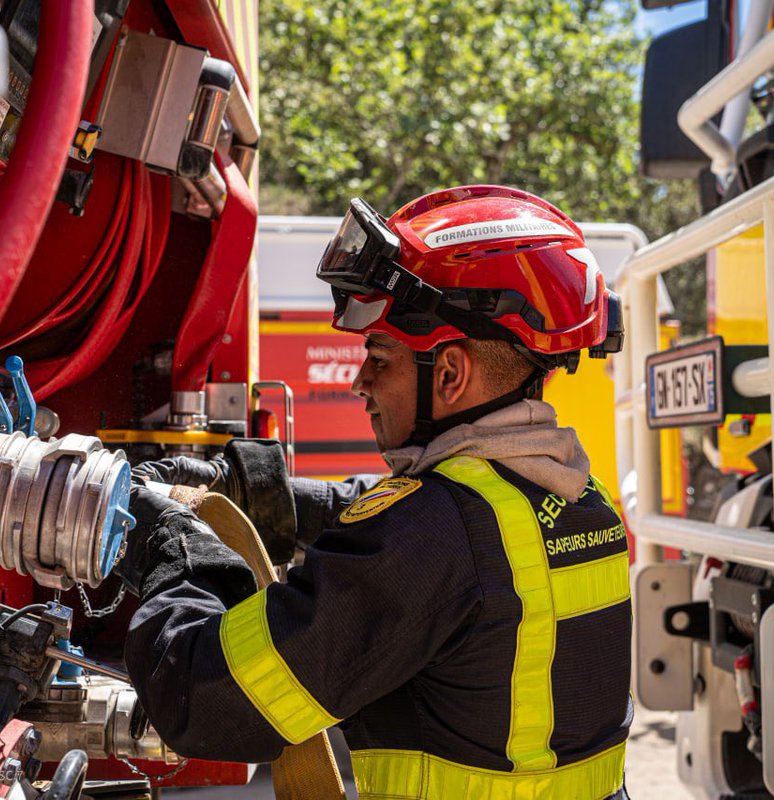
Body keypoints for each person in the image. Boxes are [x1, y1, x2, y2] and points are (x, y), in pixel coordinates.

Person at [121, 185, 632, 799]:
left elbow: (205, 696)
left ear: (449, 373)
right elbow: (398, 513)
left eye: (380, 358)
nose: (360, 383)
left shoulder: (434, 537)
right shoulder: (575, 493)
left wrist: (169, 546)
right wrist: (252, 487)